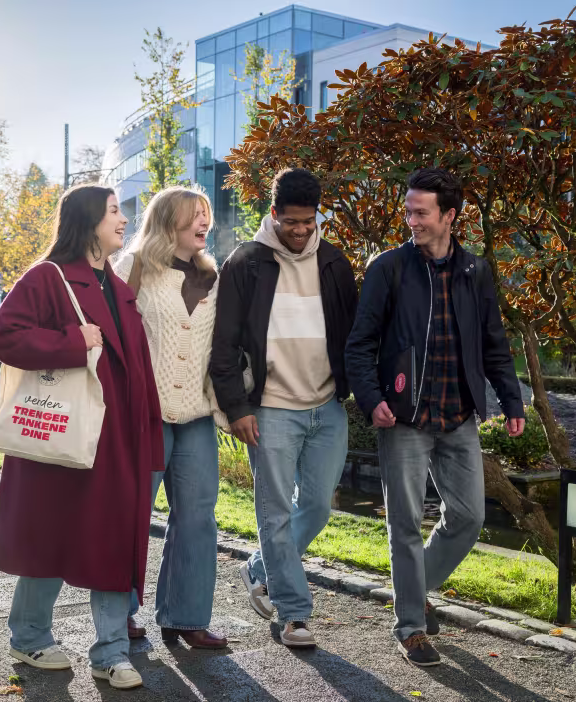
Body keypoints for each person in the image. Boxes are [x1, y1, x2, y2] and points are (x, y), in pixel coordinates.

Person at [345, 168, 526, 668]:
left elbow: (494, 341)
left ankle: (412, 589)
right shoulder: (389, 268)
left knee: (469, 517)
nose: (411, 221)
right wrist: (371, 397)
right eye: (408, 211)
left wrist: (511, 400)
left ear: (449, 216)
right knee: (404, 522)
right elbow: (360, 343)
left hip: (458, 414)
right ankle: (411, 627)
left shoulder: (475, 272)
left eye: (421, 212)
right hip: (404, 417)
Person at [0, 184, 164, 690]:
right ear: (88, 220)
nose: (123, 219)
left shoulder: (118, 285)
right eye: (114, 211)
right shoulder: (48, 277)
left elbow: (139, 371)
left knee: (112, 538)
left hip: (118, 440)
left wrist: (148, 438)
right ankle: (28, 636)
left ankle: (110, 651)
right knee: (51, 535)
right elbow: (4, 339)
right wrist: (72, 340)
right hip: (63, 434)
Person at [209, 168, 358, 648]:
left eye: (309, 222)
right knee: (274, 513)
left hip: (326, 405)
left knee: (315, 506)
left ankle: (259, 566)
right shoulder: (246, 263)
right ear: (274, 215)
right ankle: (294, 614)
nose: (300, 231)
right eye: (292, 222)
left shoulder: (334, 263)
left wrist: (355, 388)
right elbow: (224, 345)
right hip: (269, 409)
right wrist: (237, 408)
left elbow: (354, 334)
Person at [112, 187, 227, 650]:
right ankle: (116, 611)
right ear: (167, 221)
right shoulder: (133, 267)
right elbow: (114, 336)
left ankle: (185, 617)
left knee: (198, 518)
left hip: (197, 416)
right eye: (192, 216)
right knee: (133, 513)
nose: (203, 222)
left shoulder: (214, 276)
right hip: (145, 414)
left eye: (206, 215)